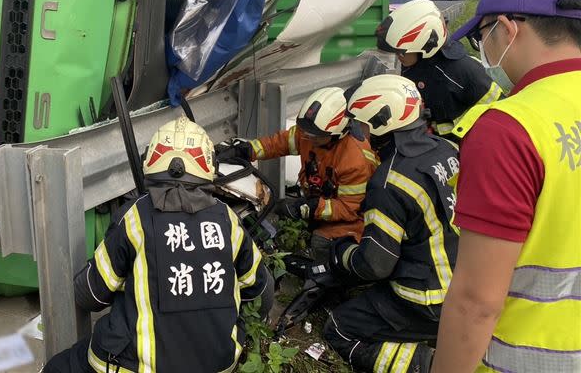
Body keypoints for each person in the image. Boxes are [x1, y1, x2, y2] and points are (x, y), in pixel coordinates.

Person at [431, 0, 581, 373]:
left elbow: (476, 303)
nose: (483, 48)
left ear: (506, 28)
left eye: (482, 36)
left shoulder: (510, 129)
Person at [44, 116, 273, 373]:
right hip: (219, 363)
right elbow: (259, 288)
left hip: (138, 366)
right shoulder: (228, 221)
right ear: (209, 168)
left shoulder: (134, 218)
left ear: (151, 163)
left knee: (60, 367)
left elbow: (90, 294)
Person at [323, 74, 459, 373]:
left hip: (427, 300)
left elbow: (374, 265)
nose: (359, 131)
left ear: (381, 123)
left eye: (361, 124)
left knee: (339, 327)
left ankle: (428, 364)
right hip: (465, 283)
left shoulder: (389, 182)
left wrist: (341, 253)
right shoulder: (446, 149)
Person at [216, 87, 378, 262]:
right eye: (306, 132)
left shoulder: (356, 160)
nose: (308, 138)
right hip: (321, 203)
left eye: (314, 135)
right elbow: (278, 143)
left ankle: (334, 277)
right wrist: (246, 150)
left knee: (321, 241)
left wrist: (307, 208)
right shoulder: (311, 133)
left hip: (355, 223)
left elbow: (348, 209)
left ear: (338, 133)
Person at [375, 0, 503, 137]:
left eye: (401, 51)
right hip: (433, 144)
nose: (398, 56)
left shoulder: (462, 70)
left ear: (427, 44)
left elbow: (501, 113)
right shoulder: (414, 64)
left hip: (465, 144)